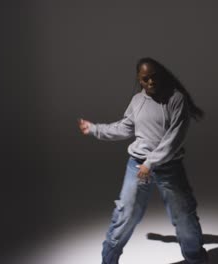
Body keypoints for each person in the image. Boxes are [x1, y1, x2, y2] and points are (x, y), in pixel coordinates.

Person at [78, 57, 209, 264]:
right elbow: (124, 127)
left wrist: (150, 163)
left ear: (161, 75)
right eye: (145, 79)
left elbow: (173, 139)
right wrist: (95, 129)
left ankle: (196, 260)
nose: (150, 82)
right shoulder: (137, 101)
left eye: (154, 77)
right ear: (139, 80)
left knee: (184, 218)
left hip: (169, 167)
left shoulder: (176, 99)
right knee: (125, 215)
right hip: (137, 166)